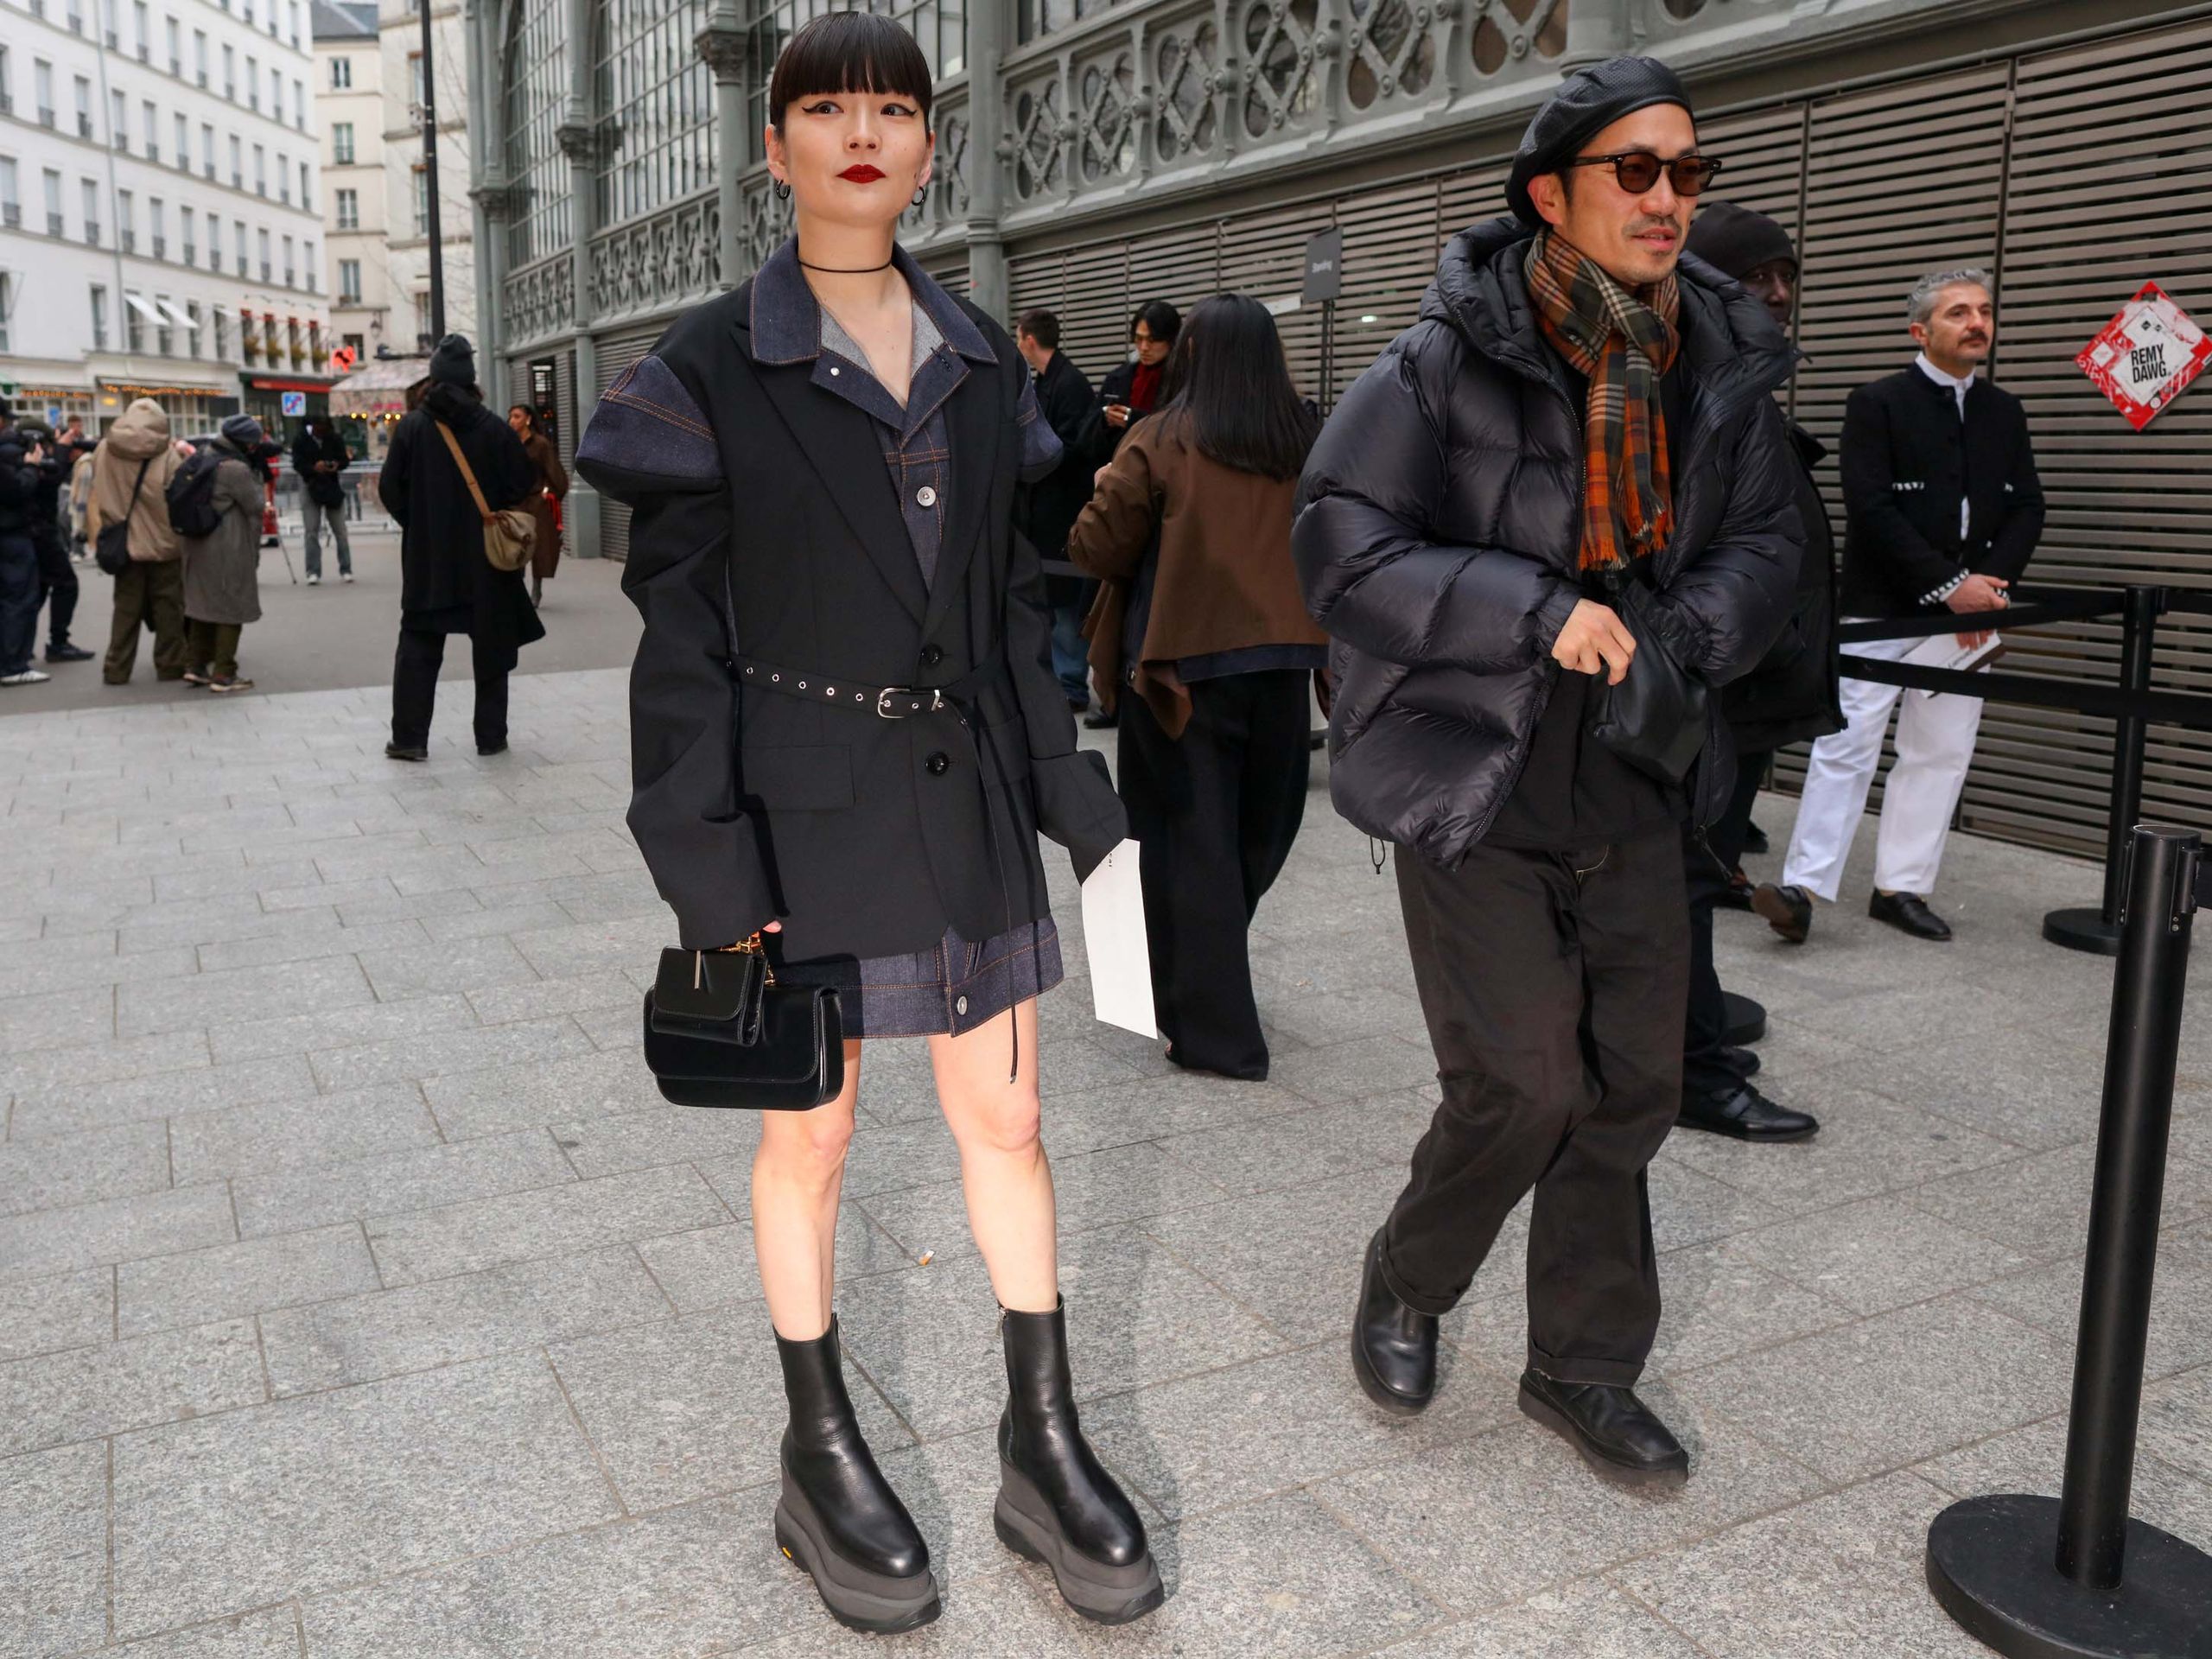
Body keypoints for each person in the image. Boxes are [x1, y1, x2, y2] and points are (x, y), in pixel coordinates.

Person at [575, 11, 1156, 1636]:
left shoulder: (980, 363)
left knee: (1011, 1126)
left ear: (926, 144)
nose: (859, 130)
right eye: (821, 107)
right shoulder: (703, 372)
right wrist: (709, 876)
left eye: (893, 106)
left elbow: (1005, 615)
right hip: (795, 809)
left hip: (963, 794)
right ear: (775, 151)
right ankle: (816, 1448)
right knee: (810, 1135)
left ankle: (1041, 1445)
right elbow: (679, 653)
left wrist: (1085, 815)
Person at [1295, 55, 1801, 1482]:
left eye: (1687, 174)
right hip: (1481, 768)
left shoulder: (1721, 355)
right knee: (1524, 1083)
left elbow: (1771, 543)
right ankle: (1409, 1273)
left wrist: (1676, 633)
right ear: (1548, 193)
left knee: (1633, 1088)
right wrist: (1536, 612)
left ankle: (1581, 1369)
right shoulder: (1440, 359)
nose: (1667, 201)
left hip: (1641, 765)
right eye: (1635, 171)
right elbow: (1341, 544)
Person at [1067, 293, 1326, 1081]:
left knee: (1189, 843)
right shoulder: (1306, 439)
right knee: (1256, 834)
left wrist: (1109, 478)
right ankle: (1201, 980)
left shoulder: (1161, 438)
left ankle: (1211, 1021)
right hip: (1283, 666)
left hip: (1180, 674)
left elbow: (1094, 547)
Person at [1755, 267, 2044, 944]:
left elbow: (2028, 504)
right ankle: (1802, 887)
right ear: (1920, 330)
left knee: (1941, 750)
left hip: (1973, 615)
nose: (1977, 323)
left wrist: (1991, 584)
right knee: (1846, 742)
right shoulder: (1877, 402)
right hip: (1882, 605)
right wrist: (1950, 586)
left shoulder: (2005, 410)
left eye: (1983, 311)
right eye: (1958, 313)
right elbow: (1872, 507)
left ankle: (1902, 888)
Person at [1673, 201, 1843, 1142]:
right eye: (1755, 275)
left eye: (1786, 274)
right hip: (1706, 701)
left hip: (1740, 701)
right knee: (1689, 883)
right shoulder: (1694, 388)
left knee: (1698, 879)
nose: (1778, 291)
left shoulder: (1736, 381)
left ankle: (1684, 1043)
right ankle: (1694, 1076)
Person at [378, 338, 541, 760]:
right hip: (487, 561)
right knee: (491, 647)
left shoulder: (412, 428)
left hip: (428, 562)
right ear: (472, 382)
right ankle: (491, 736)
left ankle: (410, 739)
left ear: (433, 379)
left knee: (418, 644)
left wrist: (419, 525)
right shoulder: (494, 429)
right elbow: (521, 485)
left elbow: (390, 490)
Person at [1075, 300, 1179, 729]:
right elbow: (1082, 441)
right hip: (1120, 496)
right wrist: (1105, 420)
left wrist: (1136, 421)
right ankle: (1111, 696)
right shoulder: (1121, 377)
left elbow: (1175, 437)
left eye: (1153, 340)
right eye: (1138, 339)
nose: (1145, 347)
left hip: (1160, 507)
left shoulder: (1181, 382)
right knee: (1109, 604)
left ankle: (1137, 696)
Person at [1013, 309, 1098, 712]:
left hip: (1062, 507)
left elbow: (1074, 446)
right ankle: (1059, 681)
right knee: (1051, 599)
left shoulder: (1069, 384)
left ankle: (1071, 685)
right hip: (1045, 508)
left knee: (1065, 602)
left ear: (1029, 340)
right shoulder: (1048, 381)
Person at [86, 399, 192, 684]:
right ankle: (170, 665)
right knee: (169, 608)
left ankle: (116, 669)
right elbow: (177, 497)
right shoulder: (167, 455)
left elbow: (97, 486)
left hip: (122, 543)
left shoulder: (105, 449)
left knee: (125, 610)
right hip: (163, 542)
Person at [179, 415, 270, 694]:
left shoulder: (203, 457)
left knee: (202, 606)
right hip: (228, 545)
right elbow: (254, 504)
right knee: (231, 607)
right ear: (246, 443)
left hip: (196, 544)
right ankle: (224, 673)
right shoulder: (235, 469)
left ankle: (195, 667)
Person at [15, 423, 91, 664]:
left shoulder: (17, 458)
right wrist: (60, 449)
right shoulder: (31, 462)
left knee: (36, 591)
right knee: (66, 584)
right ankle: (57, 643)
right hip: (41, 532)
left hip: (35, 531)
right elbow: (54, 476)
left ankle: (18, 646)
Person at [506, 403, 570, 606]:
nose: (512, 421)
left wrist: (547, 492)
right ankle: (518, 590)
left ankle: (536, 588)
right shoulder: (508, 443)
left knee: (539, 547)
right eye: (511, 417)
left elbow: (555, 473)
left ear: (528, 419)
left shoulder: (540, 444)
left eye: (517, 416)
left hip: (536, 502)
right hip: (516, 502)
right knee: (517, 547)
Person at [0, 428, 49, 687]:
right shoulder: (9, 459)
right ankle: (13, 665)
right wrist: (31, 468)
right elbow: (15, 490)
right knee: (18, 600)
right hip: (11, 535)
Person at [292, 415, 355, 584]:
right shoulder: (301, 440)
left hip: (331, 486)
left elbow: (344, 460)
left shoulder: (334, 439)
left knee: (340, 530)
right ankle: (313, 571)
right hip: (310, 485)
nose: (320, 433)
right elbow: (297, 463)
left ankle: (346, 568)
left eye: (323, 430)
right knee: (311, 530)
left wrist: (336, 465)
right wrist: (313, 468)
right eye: (318, 429)